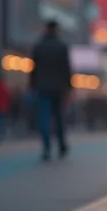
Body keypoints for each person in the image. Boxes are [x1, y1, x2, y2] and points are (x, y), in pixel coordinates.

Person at [30, 20, 72, 161]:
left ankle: (46, 148)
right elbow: (67, 69)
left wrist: (32, 85)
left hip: (42, 88)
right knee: (59, 118)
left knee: (44, 118)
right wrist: (69, 87)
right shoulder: (61, 46)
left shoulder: (39, 46)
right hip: (59, 88)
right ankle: (61, 145)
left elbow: (33, 70)